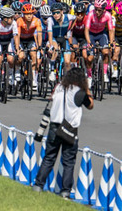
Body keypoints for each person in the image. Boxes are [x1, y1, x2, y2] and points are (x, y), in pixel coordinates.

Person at [33, 66, 94, 197]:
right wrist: (87, 89)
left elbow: (51, 99)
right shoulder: (79, 92)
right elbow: (91, 106)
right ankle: (65, 191)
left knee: (49, 157)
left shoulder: (58, 88)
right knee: (68, 161)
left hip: (54, 126)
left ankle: (38, 185)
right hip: (69, 129)